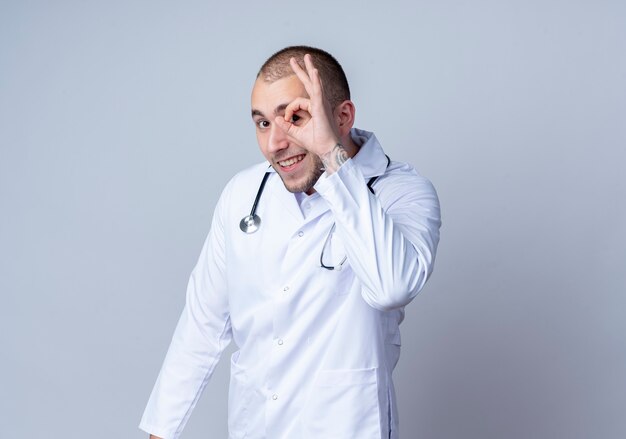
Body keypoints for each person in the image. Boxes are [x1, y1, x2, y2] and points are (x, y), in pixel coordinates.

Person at [139, 45, 441, 439]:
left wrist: (332, 157)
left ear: (343, 116)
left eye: (296, 117)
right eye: (263, 123)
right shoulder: (243, 193)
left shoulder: (401, 192)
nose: (274, 144)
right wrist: (161, 432)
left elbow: (391, 288)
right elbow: (202, 324)